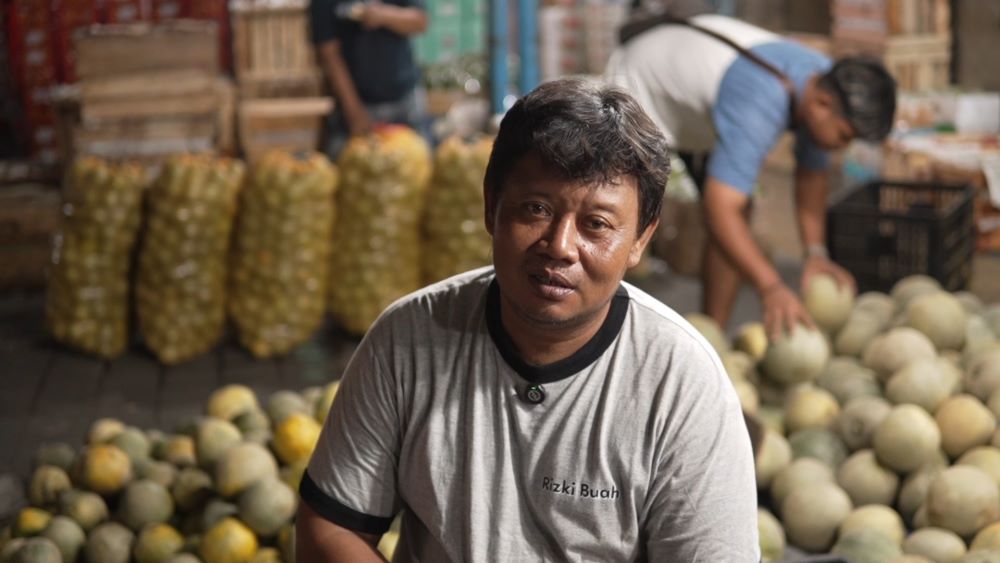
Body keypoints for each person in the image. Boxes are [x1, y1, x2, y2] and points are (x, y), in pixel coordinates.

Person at [296, 78, 759, 561]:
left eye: (596, 224)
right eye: (536, 209)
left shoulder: (682, 384)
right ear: (492, 205)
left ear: (641, 239)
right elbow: (330, 525)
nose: (559, 246)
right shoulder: (406, 340)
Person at [605, 13, 897, 338]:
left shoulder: (822, 86)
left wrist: (816, 254)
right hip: (641, 84)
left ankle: (711, 337)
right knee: (617, 213)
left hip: (701, 107)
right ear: (823, 104)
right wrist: (771, 286)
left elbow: (812, 176)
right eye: (845, 137)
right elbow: (720, 209)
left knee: (737, 214)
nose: (843, 148)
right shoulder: (760, 98)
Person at [309, 0, 428, 159]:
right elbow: (328, 54)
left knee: (417, 169)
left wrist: (385, 15)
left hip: (405, 103)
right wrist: (354, 111)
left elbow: (420, 21)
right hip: (354, 107)